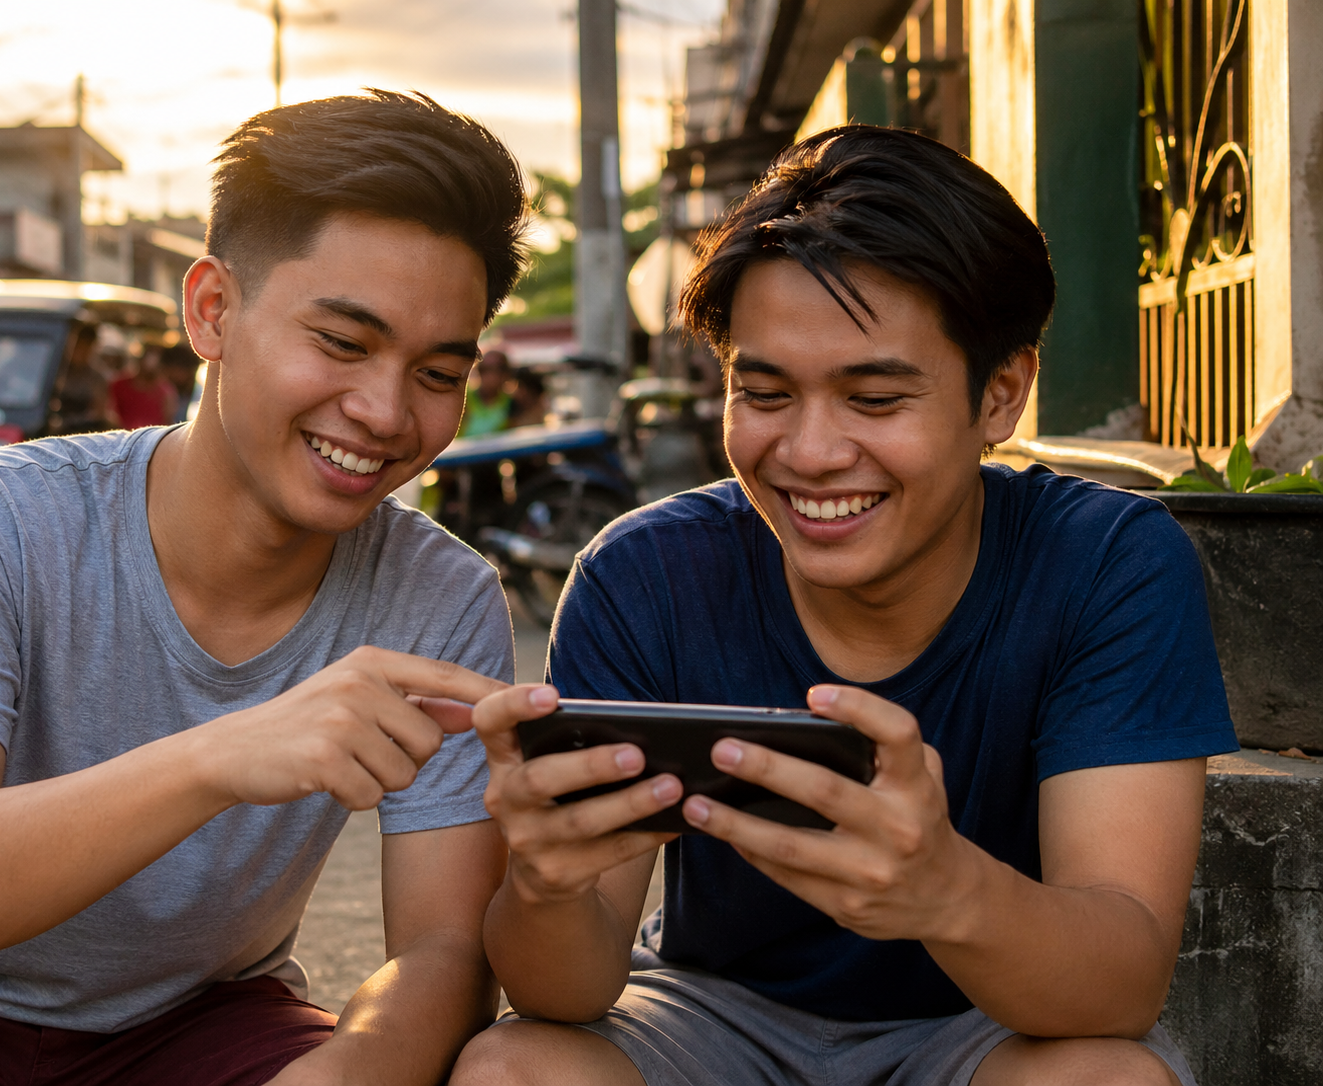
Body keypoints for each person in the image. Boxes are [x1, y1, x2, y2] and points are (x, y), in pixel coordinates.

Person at [455, 126, 1237, 1086]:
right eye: (766, 391)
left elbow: (1120, 989)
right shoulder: (645, 575)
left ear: (1001, 396)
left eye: (874, 399)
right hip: (707, 1012)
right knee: (514, 1067)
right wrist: (542, 881)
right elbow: (562, 996)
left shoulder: (1109, 564)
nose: (812, 453)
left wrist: (945, 891)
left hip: (991, 1024)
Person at [0, 90, 529, 1086]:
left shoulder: (438, 597)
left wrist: (356, 1065)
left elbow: (439, 951)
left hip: (196, 1025)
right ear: (212, 309)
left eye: (438, 373)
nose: (384, 413)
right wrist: (221, 756)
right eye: (344, 344)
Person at [110, 344, 180, 429]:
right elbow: (110, 413)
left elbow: (168, 420)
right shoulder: (119, 385)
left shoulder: (166, 392)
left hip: (153, 439)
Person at [458, 348, 512, 437]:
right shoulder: (464, 396)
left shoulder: (513, 403)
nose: (488, 376)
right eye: (484, 369)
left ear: (506, 373)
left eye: (495, 369)